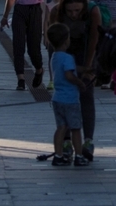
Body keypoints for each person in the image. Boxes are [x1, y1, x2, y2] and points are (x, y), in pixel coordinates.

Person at [49, 0, 100, 161]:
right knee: (65, 98)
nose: (73, 14)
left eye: (77, 11)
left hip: (85, 51)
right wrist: (55, 71)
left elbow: (94, 39)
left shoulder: (93, 11)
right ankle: (65, 142)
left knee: (86, 95)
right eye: (70, 11)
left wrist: (87, 68)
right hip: (64, 53)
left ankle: (88, 140)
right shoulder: (56, 12)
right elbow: (52, 43)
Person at [0, 0, 48, 90]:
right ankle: (20, 78)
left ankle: (39, 69)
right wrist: (5, 15)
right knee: (18, 45)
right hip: (20, 10)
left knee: (33, 47)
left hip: (34, 9)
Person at [46, 22, 89, 167]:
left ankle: (58, 155)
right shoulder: (68, 57)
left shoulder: (55, 57)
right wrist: (80, 83)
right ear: (67, 40)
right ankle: (79, 156)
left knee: (61, 128)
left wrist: (83, 69)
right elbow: (69, 75)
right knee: (75, 129)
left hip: (57, 98)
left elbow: (67, 69)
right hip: (70, 99)